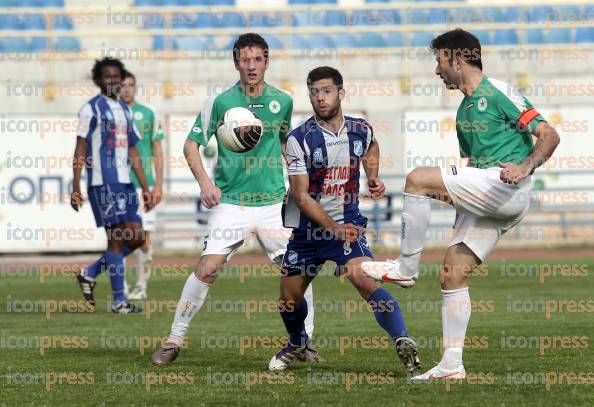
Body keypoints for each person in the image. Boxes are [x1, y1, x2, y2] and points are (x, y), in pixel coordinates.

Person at [362, 29, 560, 380]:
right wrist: (450, 203)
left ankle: (406, 268)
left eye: (439, 60)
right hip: (487, 193)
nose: (437, 70)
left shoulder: (499, 92)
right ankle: (452, 365)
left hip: (507, 188)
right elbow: (470, 168)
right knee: (451, 272)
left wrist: (525, 166)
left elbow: (549, 135)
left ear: (458, 57)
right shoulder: (464, 110)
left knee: (416, 179)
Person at [151, 33, 318, 365]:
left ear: (267, 62)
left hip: (273, 203)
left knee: (295, 270)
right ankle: (174, 339)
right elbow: (190, 145)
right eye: (245, 59)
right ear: (236, 62)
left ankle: (303, 342)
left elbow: (288, 147)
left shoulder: (282, 101)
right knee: (208, 267)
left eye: (258, 59)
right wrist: (204, 185)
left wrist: (301, 189)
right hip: (230, 202)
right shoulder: (219, 102)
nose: (251, 66)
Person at [268, 66, 420, 374]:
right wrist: (332, 227)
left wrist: (373, 175)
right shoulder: (299, 139)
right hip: (309, 232)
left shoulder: (360, 129)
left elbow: (372, 145)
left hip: (348, 228)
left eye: (326, 91)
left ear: (341, 93)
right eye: (314, 92)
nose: (320, 98)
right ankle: (297, 343)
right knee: (287, 299)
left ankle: (403, 339)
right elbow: (301, 195)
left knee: (362, 278)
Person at [72, 57, 155, 314]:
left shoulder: (125, 110)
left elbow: (133, 151)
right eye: (107, 76)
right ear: (98, 80)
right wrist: (76, 186)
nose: (113, 81)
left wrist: (145, 187)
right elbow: (81, 147)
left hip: (126, 182)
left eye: (116, 76)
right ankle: (120, 301)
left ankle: (90, 273)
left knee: (139, 238)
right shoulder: (91, 109)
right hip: (103, 181)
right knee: (117, 239)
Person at [120, 70, 165, 300]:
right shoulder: (112, 113)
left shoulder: (148, 113)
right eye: (123, 85)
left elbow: (157, 150)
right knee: (121, 237)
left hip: (143, 186)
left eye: (131, 85)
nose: (127, 89)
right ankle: (121, 286)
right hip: (119, 186)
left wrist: (158, 185)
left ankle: (141, 285)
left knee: (144, 238)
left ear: (135, 87)